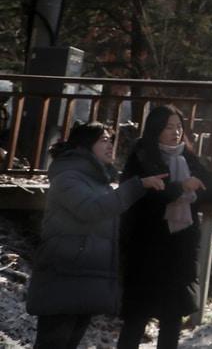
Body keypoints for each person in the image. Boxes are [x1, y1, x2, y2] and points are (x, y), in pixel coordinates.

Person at [26, 123, 168, 349]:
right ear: (85, 145)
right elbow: (91, 209)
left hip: (82, 277)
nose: (110, 145)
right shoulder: (68, 176)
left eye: (111, 139)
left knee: (69, 342)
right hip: (63, 276)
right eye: (103, 140)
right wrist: (137, 186)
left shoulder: (97, 180)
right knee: (53, 343)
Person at [116, 106, 212, 349]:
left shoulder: (189, 157)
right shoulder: (142, 156)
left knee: (172, 318)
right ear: (155, 129)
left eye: (179, 127)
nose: (176, 132)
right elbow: (138, 198)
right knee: (136, 317)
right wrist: (181, 186)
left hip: (179, 248)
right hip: (146, 248)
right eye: (169, 127)